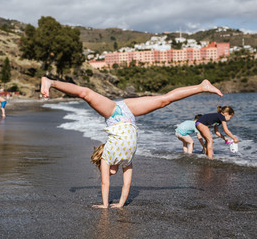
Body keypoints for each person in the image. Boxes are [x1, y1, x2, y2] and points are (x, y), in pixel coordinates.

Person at [40, 76, 223, 208]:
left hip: (114, 113)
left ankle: (51, 82)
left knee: (86, 93)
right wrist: (119, 204)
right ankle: (201, 86)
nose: (112, 174)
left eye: (110, 173)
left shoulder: (106, 157)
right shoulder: (126, 161)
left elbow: (105, 184)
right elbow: (126, 185)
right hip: (128, 112)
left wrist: (104, 205)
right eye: (111, 173)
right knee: (163, 101)